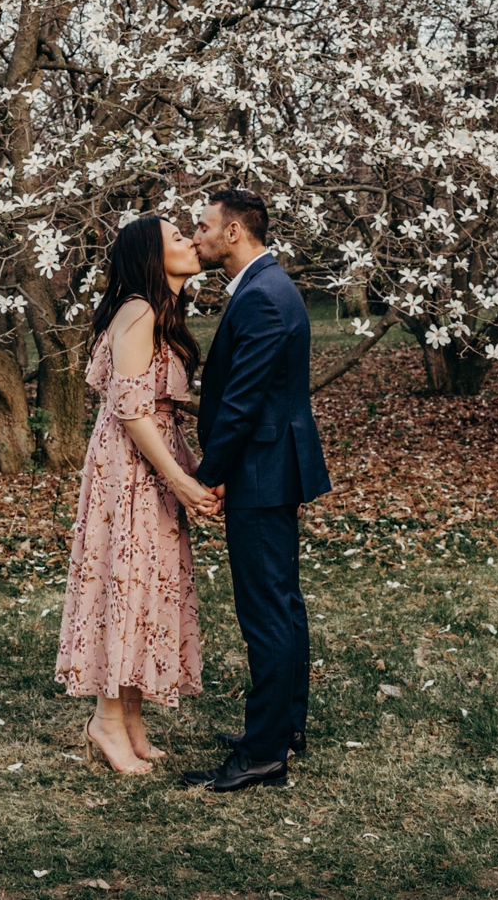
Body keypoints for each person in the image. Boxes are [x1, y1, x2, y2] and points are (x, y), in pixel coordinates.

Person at [53, 214, 223, 774]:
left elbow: (161, 410)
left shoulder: (159, 312)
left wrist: (196, 467)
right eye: (178, 238)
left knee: (145, 583)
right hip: (128, 471)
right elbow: (129, 409)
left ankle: (129, 717)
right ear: (152, 256)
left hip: (150, 461)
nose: (192, 242)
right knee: (122, 582)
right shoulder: (139, 309)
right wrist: (180, 479)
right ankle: (104, 720)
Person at [182, 186, 331, 792]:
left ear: (235, 232)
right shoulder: (263, 288)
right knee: (283, 604)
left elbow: (241, 403)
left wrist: (206, 475)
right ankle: (282, 726)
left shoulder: (265, 296)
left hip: (262, 470)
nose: (197, 236)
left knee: (266, 612)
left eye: (204, 226)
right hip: (270, 464)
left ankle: (266, 753)